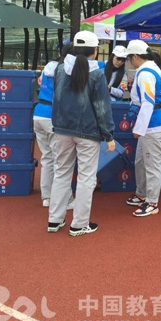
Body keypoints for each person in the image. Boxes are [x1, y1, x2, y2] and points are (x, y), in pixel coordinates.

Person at [47, 31, 115, 236]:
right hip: (88, 132)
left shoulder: (60, 69)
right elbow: (102, 107)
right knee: (86, 178)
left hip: (62, 129)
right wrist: (109, 134)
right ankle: (79, 224)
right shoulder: (97, 74)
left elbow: (56, 99)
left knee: (61, 173)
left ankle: (54, 219)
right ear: (95, 50)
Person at [124, 40, 161, 217]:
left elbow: (148, 102)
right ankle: (142, 193)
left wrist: (139, 128)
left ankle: (152, 202)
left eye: (130, 58)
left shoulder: (145, 72)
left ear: (136, 56)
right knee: (141, 162)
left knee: (151, 165)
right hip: (152, 122)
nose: (129, 61)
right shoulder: (150, 69)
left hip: (153, 124)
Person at [34, 43, 76, 209]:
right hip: (52, 116)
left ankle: (47, 197)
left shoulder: (49, 66)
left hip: (38, 113)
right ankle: (65, 199)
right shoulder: (65, 70)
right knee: (61, 160)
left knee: (47, 158)